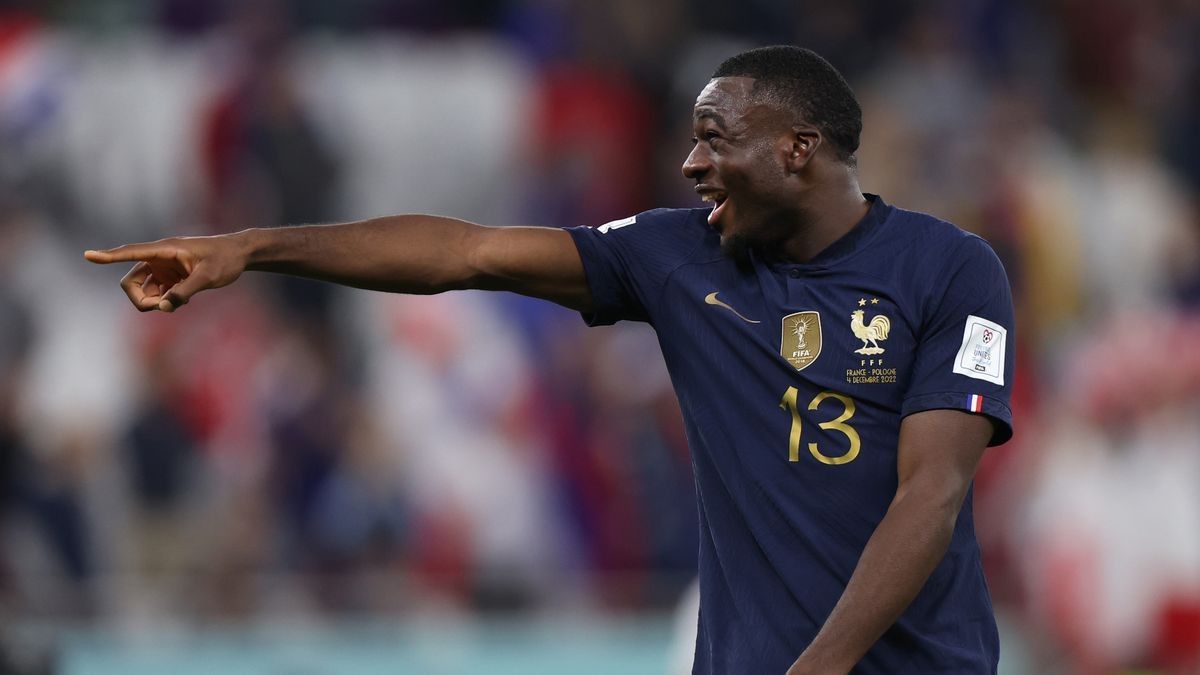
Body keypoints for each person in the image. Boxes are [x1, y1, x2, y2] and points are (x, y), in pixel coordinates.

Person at [86, 46, 1014, 675]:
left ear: (797, 149)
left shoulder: (950, 270)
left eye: (715, 138)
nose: (690, 164)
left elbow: (931, 494)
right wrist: (251, 247)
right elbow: (465, 252)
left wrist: (818, 668)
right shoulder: (676, 257)